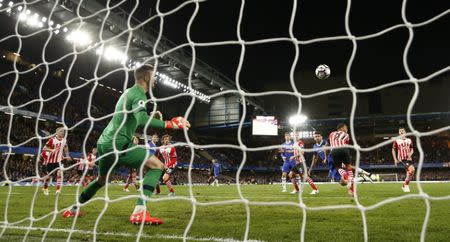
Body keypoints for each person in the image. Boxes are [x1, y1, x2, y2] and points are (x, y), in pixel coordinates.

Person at [62, 64, 190, 225]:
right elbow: (141, 119)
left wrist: (150, 116)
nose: (156, 79)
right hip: (118, 144)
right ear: (146, 77)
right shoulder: (139, 94)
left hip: (104, 143)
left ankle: (73, 209)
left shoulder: (129, 93)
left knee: (101, 180)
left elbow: (133, 119)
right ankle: (139, 211)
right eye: (154, 75)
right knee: (157, 166)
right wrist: (170, 124)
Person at [41, 127, 71, 195]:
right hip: (51, 161)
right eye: (61, 131)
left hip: (60, 161)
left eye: (63, 131)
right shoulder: (52, 140)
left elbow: (66, 147)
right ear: (57, 132)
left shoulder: (64, 140)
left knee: (59, 174)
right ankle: (45, 188)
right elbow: (44, 148)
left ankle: (58, 190)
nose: (62, 133)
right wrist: (52, 150)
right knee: (49, 176)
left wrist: (67, 155)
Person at [392, 127, 415, 192]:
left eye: (402, 131)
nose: (401, 132)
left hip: (409, 159)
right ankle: (406, 185)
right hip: (402, 159)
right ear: (399, 133)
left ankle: (404, 185)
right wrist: (395, 159)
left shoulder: (409, 140)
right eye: (400, 131)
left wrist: (410, 155)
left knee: (410, 173)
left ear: (405, 132)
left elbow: (412, 149)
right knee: (412, 169)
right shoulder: (396, 140)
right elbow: (393, 150)